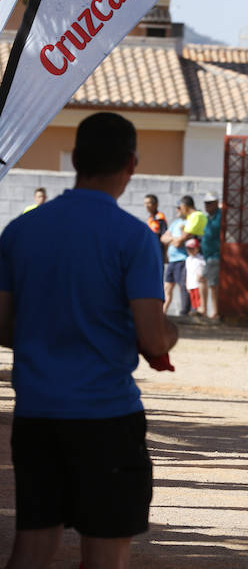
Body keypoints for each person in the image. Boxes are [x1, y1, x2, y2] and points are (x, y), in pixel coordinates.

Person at [0, 112, 178, 569]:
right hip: (106, 415)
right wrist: (171, 331)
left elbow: (1, 327)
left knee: (33, 543)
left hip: (37, 412)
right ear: (132, 164)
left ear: (75, 160)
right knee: (106, 548)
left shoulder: (20, 231)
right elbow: (152, 337)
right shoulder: (135, 238)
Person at [161, 205, 190, 316]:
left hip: (182, 259)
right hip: (172, 260)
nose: (177, 210)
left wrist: (171, 239)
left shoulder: (188, 223)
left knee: (182, 286)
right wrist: (174, 238)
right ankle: (162, 313)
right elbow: (163, 238)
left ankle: (184, 312)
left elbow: (179, 243)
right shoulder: (175, 223)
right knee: (167, 287)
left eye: (180, 207)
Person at [199, 192, 221, 320]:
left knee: (206, 280)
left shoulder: (219, 216)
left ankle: (211, 310)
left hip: (215, 255)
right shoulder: (209, 217)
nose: (206, 206)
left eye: (209, 203)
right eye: (205, 203)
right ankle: (208, 309)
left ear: (216, 203)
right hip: (208, 256)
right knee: (211, 283)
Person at [185, 237, 206, 316]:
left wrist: (200, 274)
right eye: (188, 249)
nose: (190, 251)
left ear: (197, 248)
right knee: (194, 301)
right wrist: (187, 283)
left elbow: (203, 268)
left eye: (192, 249)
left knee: (199, 299)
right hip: (191, 283)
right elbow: (187, 272)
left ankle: (201, 313)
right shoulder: (187, 259)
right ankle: (197, 313)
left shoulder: (200, 258)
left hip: (197, 284)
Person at [144, 194, 168, 260]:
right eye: (145, 203)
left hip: (157, 250)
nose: (146, 206)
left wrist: (165, 254)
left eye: (149, 203)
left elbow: (164, 235)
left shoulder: (160, 217)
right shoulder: (150, 218)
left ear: (155, 204)